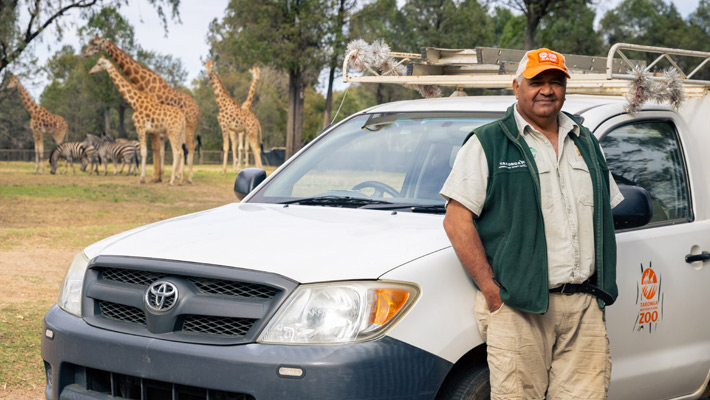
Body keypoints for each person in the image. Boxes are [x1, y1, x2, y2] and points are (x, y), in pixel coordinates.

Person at [440, 48, 624, 399]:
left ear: (565, 90)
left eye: (555, 82)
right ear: (516, 87)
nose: (547, 90)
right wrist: (492, 291)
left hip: (584, 306)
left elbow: (603, 212)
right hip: (519, 308)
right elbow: (456, 220)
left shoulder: (586, 143)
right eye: (536, 81)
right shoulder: (489, 142)